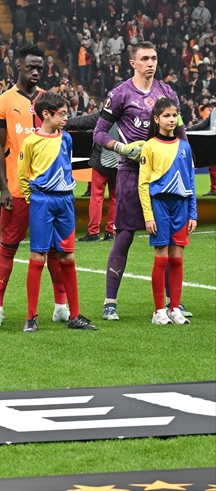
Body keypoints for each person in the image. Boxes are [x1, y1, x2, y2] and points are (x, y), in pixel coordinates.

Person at [93, 43, 188, 320]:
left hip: (165, 176)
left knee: (169, 239)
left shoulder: (167, 92)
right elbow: (99, 133)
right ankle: (110, 302)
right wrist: (121, 148)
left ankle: (172, 302)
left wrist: (186, 160)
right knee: (124, 236)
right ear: (132, 62)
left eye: (154, 58)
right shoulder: (120, 94)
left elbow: (181, 131)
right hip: (131, 173)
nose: (150, 63)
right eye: (144, 58)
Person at [0, 45, 69, 327]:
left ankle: (61, 306)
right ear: (18, 66)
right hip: (18, 189)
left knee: (55, 250)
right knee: (8, 247)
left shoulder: (50, 100)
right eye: (30, 67)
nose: (35, 72)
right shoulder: (2, 102)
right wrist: (3, 187)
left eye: (39, 68)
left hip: (51, 191)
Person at [17, 92, 96, 333]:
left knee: (68, 257)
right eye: (62, 114)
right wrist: (33, 199)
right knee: (38, 257)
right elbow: (22, 174)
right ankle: (32, 316)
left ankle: (75, 315)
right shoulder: (30, 142)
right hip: (42, 201)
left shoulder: (66, 138)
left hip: (65, 202)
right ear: (46, 115)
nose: (66, 118)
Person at [139, 98, 197, 326]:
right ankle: (158, 311)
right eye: (166, 116)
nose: (172, 119)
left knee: (177, 259)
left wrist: (193, 213)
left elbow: (191, 181)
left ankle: (175, 308)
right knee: (161, 257)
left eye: (175, 115)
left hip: (181, 207)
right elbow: (143, 184)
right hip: (160, 206)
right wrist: (148, 215)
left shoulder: (185, 146)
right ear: (156, 119)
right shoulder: (150, 146)